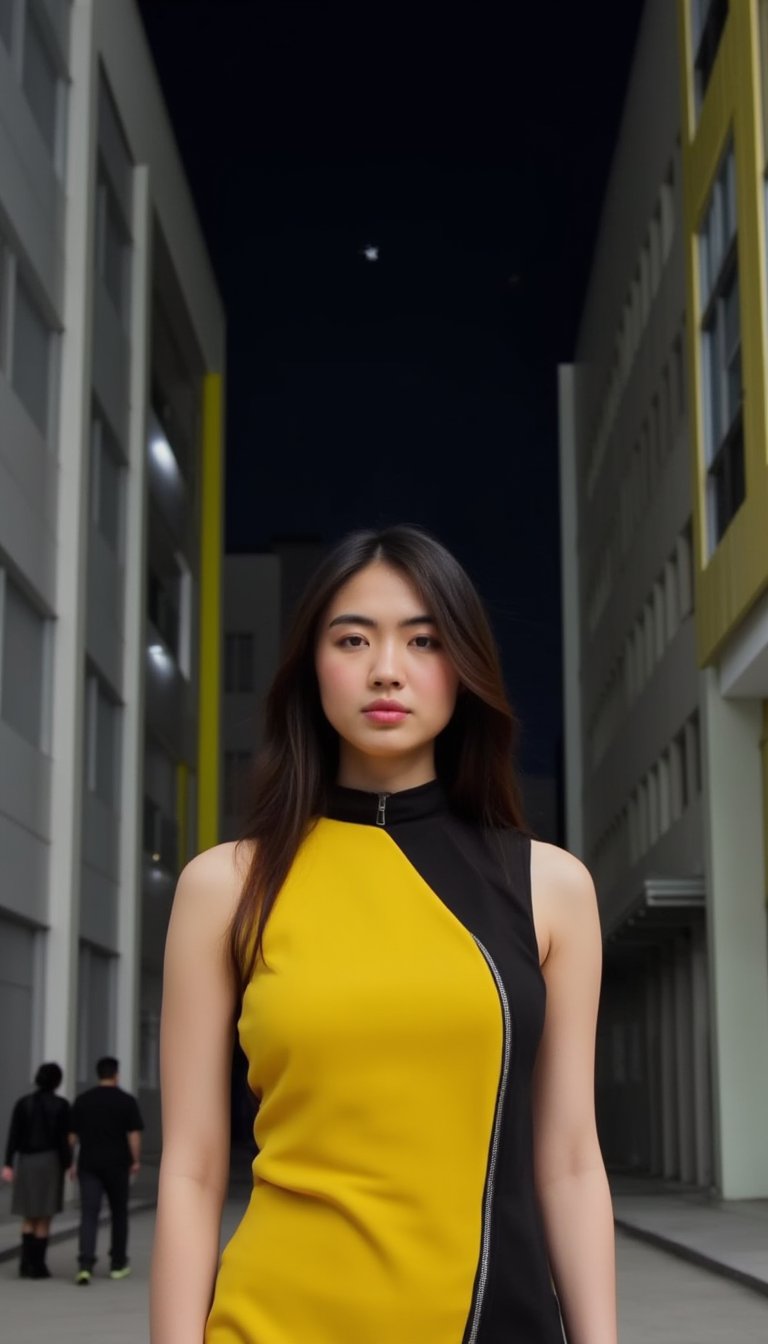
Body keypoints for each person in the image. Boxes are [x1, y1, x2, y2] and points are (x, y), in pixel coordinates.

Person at [150, 525, 617, 1344]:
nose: (386, 669)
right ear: (311, 668)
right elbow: (190, 1170)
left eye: (424, 639)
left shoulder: (549, 889)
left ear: (463, 668)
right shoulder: (225, 888)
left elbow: (571, 1162)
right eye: (353, 638)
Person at [68, 1056, 144, 1285]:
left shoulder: (82, 1101)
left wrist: (70, 1162)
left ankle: (85, 1264)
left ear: (98, 1074)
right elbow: (134, 1135)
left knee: (89, 1215)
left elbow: (71, 1136)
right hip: (117, 1165)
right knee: (119, 1213)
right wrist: (135, 1160)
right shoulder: (126, 1101)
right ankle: (118, 1264)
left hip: (88, 1165)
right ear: (116, 1074)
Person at [2, 1062, 71, 1278]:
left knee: (28, 1214)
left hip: (26, 1161)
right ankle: (39, 1265)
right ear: (57, 1081)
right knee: (44, 1215)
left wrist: (8, 1164)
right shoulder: (61, 1105)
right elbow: (63, 1139)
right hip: (50, 1161)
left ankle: (25, 1263)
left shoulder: (23, 1103)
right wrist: (68, 1163)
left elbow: (13, 1135)